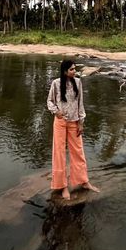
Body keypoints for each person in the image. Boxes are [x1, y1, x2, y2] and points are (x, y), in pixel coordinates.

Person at [47, 59, 100, 200]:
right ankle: (63, 186)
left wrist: (81, 122)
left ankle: (84, 181)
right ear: (65, 71)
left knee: (78, 151)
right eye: (71, 69)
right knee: (59, 153)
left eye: (75, 69)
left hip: (75, 122)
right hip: (60, 122)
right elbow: (49, 101)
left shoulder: (78, 82)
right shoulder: (56, 84)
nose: (74, 71)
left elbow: (80, 104)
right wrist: (56, 111)